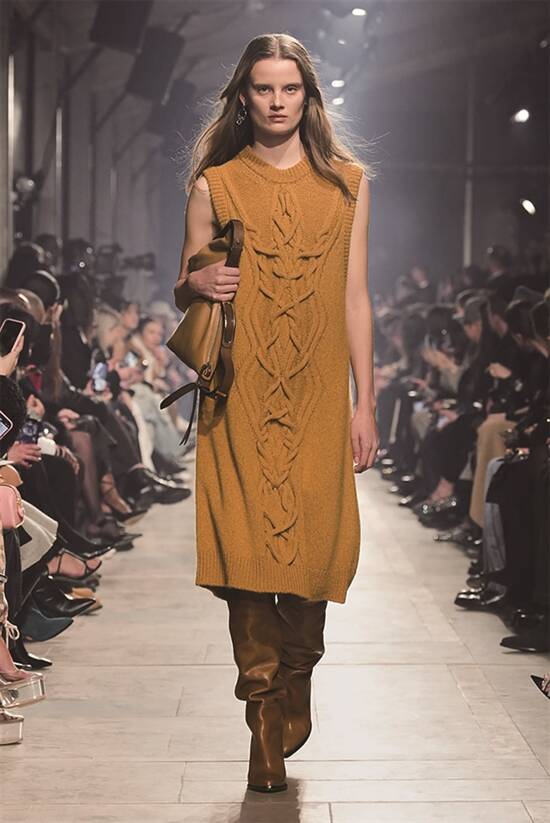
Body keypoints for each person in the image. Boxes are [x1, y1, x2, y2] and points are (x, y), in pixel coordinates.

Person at [172, 33, 379, 793]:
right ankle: (263, 716)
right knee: (247, 558)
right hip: (239, 396)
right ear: (243, 97)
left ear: (309, 96)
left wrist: (366, 401)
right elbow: (185, 282)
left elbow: (356, 298)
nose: (277, 101)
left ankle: (297, 675)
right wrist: (199, 284)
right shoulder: (215, 185)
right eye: (263, 88)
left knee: (315, 554)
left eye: (290, 87)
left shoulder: (348, 184)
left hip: (318, 397)